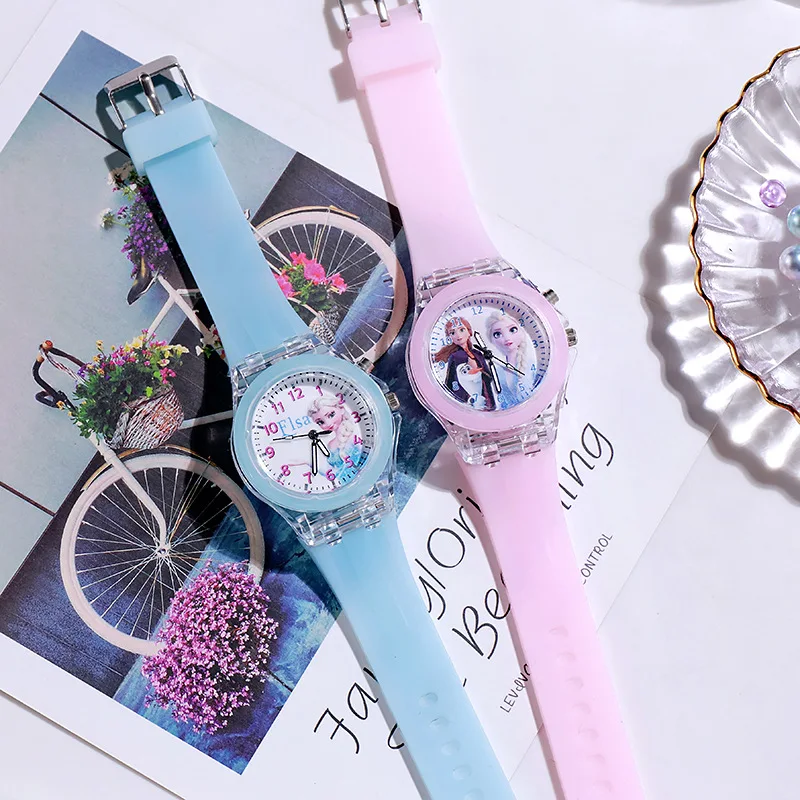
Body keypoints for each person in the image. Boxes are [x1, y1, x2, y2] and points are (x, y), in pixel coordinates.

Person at [433, 316, 495, 410]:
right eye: (452, 333)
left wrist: (480, 372)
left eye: (461, 330)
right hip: (467, 399)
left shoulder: (478, 353)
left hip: (484, 395)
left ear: (469, 332)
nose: (458, 335)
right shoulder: (456, 357)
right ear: (450, 338)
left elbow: (488, 376)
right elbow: (450, 380)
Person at [486, 310, 537, 409]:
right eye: (497, 334)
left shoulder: (532, 364)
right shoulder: (497, 371)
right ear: (492, 340)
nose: (507, 338)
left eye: (512, 330)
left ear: (522, 332)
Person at [308, 394, 363, 482]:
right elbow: (333, 473)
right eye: (320, 422)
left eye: (331, 415)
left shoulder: (355, 434)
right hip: (344, 484)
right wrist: (308, 462)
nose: (328, 423)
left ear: (341, 409)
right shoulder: (330, 445)